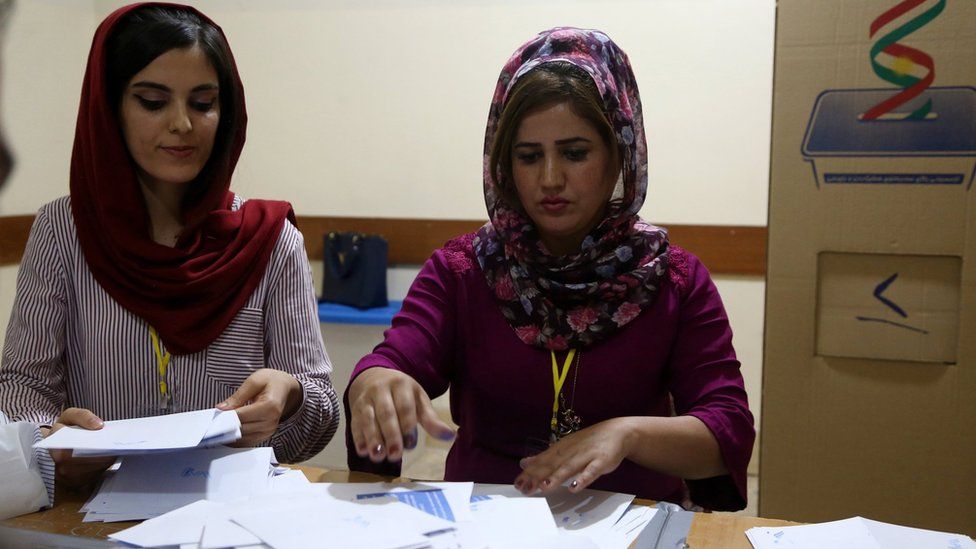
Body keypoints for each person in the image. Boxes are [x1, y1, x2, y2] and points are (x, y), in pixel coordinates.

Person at [346, 27, 754, 510]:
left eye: (575, 153)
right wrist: (374, 381)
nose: (550, 179)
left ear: (619, 154)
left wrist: (626, 434)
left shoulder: (673, 279)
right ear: (504, 166)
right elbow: (396, 358)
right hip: (483, 526)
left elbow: (726, 428)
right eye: (528, 156)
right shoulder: (463, 270)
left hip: (630, 526)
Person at [0, 3, 339, 494]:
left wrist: (290, 400)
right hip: (96, 514)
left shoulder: (269, 240)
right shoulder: (64, 231)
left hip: (234, 516)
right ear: (109, 107)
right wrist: (48, 441)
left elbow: (318, 416)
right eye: (153, 102)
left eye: (203, 103)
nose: (182, 123)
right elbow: (21, 389)